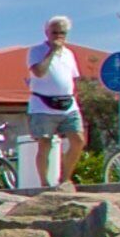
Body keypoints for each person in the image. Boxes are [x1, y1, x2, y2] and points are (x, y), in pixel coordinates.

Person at [26, 16, 83, 189]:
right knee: (45, 143)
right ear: (47, 33)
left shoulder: (69, 54)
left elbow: (74, 78)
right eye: (54, 33)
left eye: (62, 33)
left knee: (78, 140)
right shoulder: (37, 51)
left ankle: (64, 179)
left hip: (67, 104)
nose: (58, 36)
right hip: (43, 104)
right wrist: (51, 52)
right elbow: (39, 72)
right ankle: (44, 183)